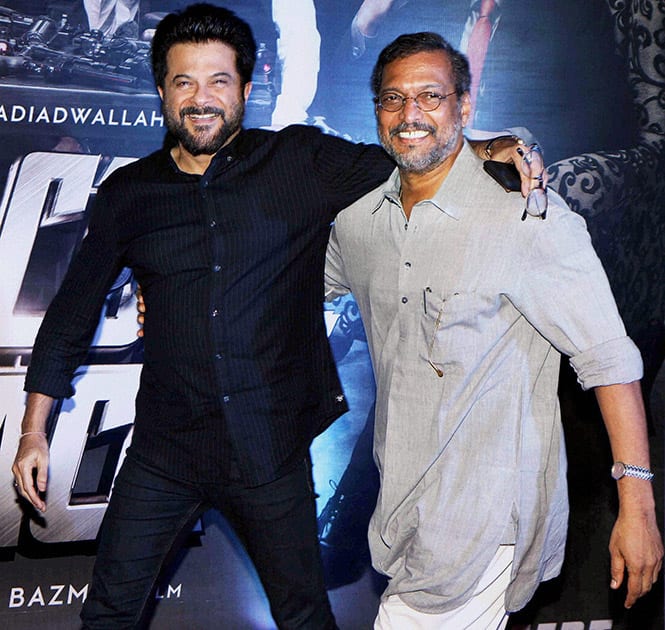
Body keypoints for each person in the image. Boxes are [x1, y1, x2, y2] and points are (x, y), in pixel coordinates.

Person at [10, 5, 537, 629]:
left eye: (218, 81)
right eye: (184, 83)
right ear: (161, 91)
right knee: (107, 617)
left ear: (248, 87)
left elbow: (412, 164)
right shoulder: (130, 193)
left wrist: (487, 146)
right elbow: (71, 312)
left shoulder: (299, 161)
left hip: (270, 453)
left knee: (304, 617)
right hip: (162, 453)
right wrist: (33, 430)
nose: (201, 100)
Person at [324, 32, 662, 629]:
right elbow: (291, 280)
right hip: (400, 516)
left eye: (431, 96)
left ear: (465, 107)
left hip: (484, 519)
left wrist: (636, 504)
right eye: (394, 99)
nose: (410, 115)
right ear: (376, 110)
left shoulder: (525, 213)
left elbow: (608, 358)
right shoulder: (358, 224)